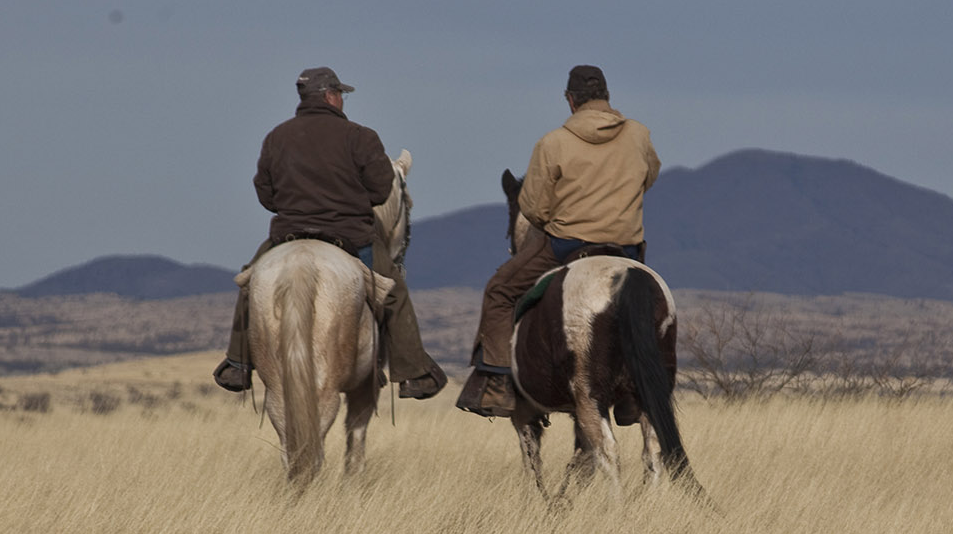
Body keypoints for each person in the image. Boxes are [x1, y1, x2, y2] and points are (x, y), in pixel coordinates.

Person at [214, 66, 446, 398]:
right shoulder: (360, 136)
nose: (342, 100)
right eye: (342, 94)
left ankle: (237, 364)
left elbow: (265, 195)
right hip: (349, 236)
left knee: (250, 284)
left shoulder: (276, 137)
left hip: (287, 235)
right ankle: (412, 373)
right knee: (393, 292)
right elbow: (382, 190)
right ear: (331, 96)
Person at [455, 65, 661, 417]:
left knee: (500, 290)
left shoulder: (552, 143)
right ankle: (633, 388)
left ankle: (499, 382)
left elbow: (532, 207)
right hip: (628, 249)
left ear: (570, 100)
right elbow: (649, 176)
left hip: (568, 247)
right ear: (607, 96)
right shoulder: (639, 134)